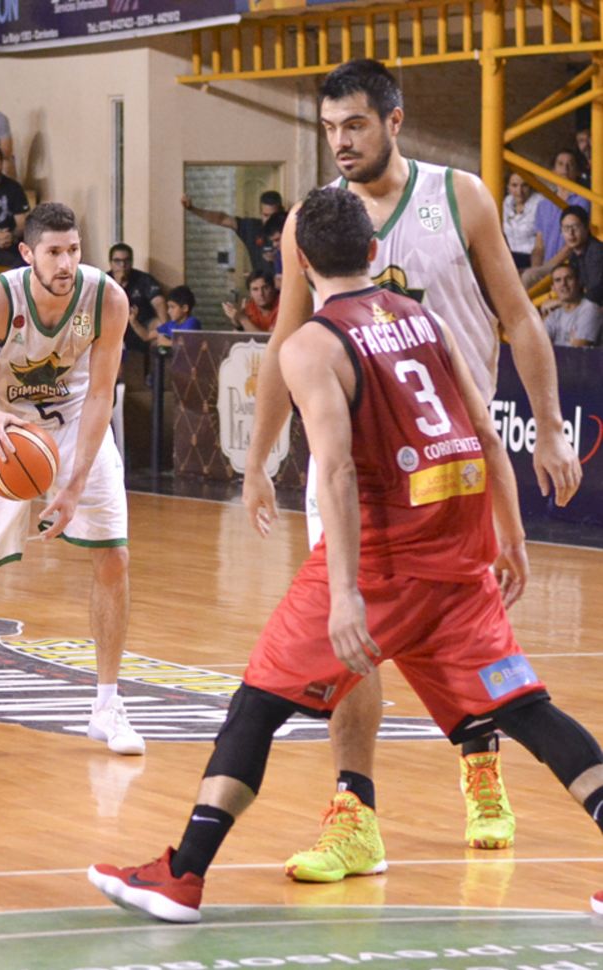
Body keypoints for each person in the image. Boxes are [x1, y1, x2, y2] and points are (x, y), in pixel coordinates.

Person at [88, 188, 603, 923]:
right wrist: (511, 537)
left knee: (257, 704)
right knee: (526, 709)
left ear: (299, 261)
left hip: (386, 558)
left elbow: (333, 473)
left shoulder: (311, 345)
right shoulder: (424, 318)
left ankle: (183, 875)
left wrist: (344, 594)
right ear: (372, 251)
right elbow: (488, 434)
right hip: (461, 551)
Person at [242, 59, 581, 879]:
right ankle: (354, 813)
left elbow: (519, 318)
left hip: (453, 463)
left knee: (469, 638)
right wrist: (257, 458)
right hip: (352, 468)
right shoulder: (313, 221)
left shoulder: (459, 197)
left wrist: (548, 428)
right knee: (347, 636)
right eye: (329, 128)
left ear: (394, 121)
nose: (340, 142)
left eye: (354, 124)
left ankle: (481, 764)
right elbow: (286, 341)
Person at [0, 201, 144, 763]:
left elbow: (100, 395)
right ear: (28, 253)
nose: (66, 262)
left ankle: (107, 705)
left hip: (76, 424)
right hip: (4, 429)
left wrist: (74, 484)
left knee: (114, 557)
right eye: (53, 252)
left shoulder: (106, 299)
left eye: (73, 250)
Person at [182, 190, 285, 272]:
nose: (269, 220)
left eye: (273, 216)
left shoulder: (289, 230)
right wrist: (193, 209)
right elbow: (221, 219)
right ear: (260, 213)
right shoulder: (252, 228)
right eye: (266, 215)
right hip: (261, 287)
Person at [528, 149, 590, 271]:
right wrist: (536, 269)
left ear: (577, 172)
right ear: (553, 170)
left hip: (570, 268)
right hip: (546, 268)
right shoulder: (543, 205)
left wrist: (546, 269)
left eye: (570, 164)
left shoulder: (583, 201)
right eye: (560, 164)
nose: (565, 169)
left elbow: (572, 244)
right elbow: (539, 246)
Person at [107, 242, 166, 359]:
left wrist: (166, 327)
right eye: (117, 261)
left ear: (132, 262)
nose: (122, 265)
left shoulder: (143, 279)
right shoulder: (104, 280)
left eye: (126, 261)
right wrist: (119, 284)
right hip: (113, 325)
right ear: (111, 263)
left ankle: (156, 367)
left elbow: (159, 301)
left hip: (141, 324)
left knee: (158, 325)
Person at [543, 263, 602, 347]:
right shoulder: (554, 315)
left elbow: (576, 350)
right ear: (553, 288)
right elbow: (539, 346)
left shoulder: (590, 310)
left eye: (569, 278)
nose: (563, 283)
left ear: (579, 283)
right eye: (558, 280)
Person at [128, 284, 201, 348]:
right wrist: (134, 322)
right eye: (168, 307)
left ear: (185, 308)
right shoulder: (170, 325)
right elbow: (147, 336)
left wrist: (167, 343)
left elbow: (187, 344)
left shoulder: (192, 322)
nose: (168, 311)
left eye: (172, 307)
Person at [560, 205, 603, 306]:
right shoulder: (573, 256)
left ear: (586, 228)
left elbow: (596, 293)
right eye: (566, 228)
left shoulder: (597, 251)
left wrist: (562, 303)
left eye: (575, 227)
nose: (571, 233)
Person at [502, 173, 540, 270]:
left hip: (530, 258)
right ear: (508, 187)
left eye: (524, 185)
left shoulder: (540, 203)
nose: (519, 191)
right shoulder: (507, 201)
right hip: (508, 256)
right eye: (514, 185)